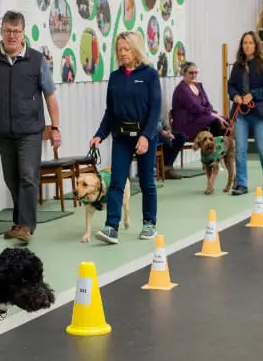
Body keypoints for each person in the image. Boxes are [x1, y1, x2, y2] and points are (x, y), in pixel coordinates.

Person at [0, 10, 62, 245]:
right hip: (2, 130)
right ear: (1, 31)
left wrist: (56, 127)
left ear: (23, 33)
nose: (11, 36)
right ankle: (20, 223)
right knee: (12, 179)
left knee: (28, 176)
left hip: (30, 130)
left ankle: (26, 226)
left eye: (16, 32)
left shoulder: (37, 60)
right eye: (7, 31)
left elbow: (50, 96)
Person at [88, 30, 161, 244]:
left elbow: (155, 110)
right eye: (119, 49)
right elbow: (110, 111)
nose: (122, 53)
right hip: (121, 136)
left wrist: (146, 136)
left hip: (145, 134)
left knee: (147, 181)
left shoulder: (149, 75)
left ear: (136, 49)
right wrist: (99, 134)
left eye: (126, 49)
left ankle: (149, 223)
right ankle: (111, 227)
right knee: (117, 181)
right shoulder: (115, 77)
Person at [227, 31, 263, 195]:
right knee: (240, 148)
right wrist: (235, 95)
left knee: (261, 146)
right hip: (241, 113)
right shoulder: (237, 66)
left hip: (260, 112)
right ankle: (242, 184)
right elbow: (231, 85)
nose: (247, 46)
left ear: (256, 45)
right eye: (244, 43)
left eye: (250, 43)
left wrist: (253, 95)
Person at [166, 61, 227, 177]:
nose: (193, 75)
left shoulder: (199, 85)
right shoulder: (181, 89)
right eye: (190, 73)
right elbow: (193, 108)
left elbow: (208, 104)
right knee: (215, 122)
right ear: (183, 73)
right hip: (185, 123)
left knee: (224, 121)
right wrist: (212, 114)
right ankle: (213, 160)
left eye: (195, 73)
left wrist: (213, 112)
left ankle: (217, 157)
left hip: (199, 118)